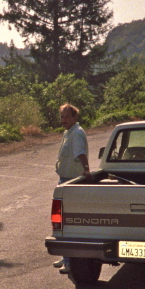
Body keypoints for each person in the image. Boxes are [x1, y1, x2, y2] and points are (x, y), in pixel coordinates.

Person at [53, 104, 90, 273]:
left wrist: (87, 169)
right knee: (60, 220)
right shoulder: (68, 133)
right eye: (62, 117)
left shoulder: (77, 133)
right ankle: (66, 257)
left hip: (72, 181)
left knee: (67, 220)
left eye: (67, 117)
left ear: (74, 117)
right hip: (64, 179)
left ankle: (70, 263)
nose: (64, 120)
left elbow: (80, 153)